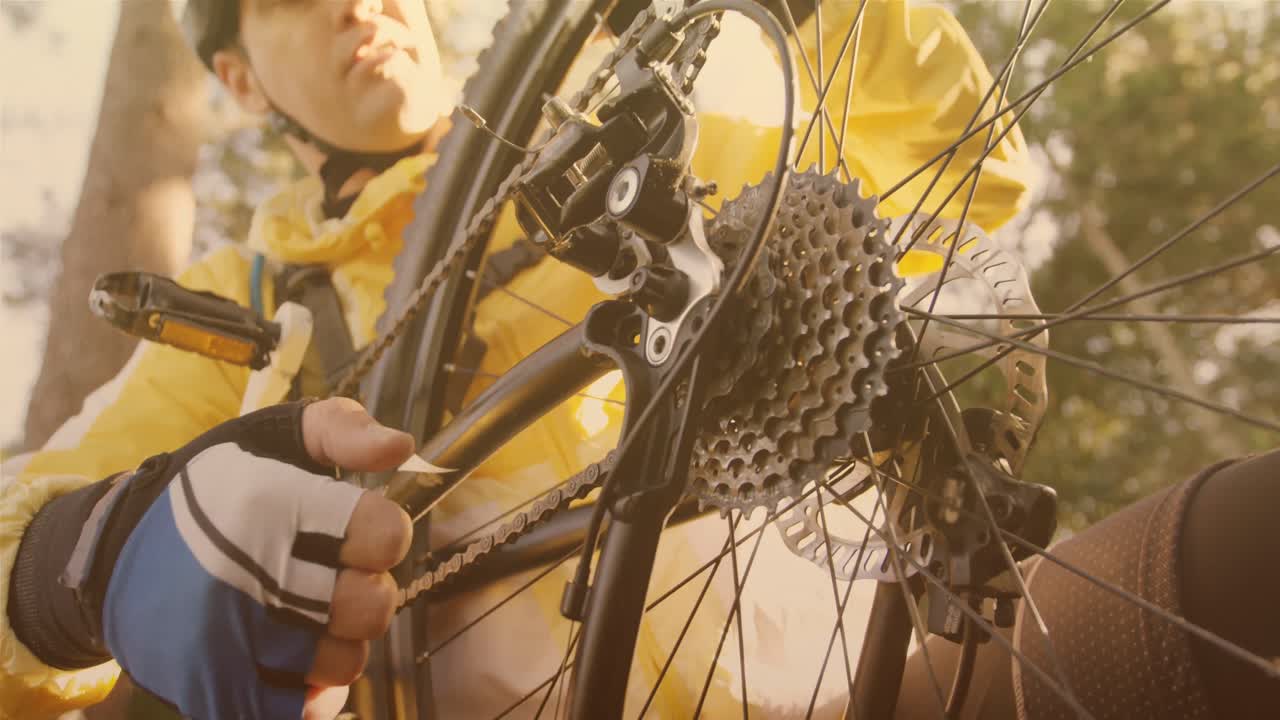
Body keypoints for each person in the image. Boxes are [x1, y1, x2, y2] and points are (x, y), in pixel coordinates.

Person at [0, 1, 1032, 718]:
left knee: (1140, 591)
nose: (358, 6)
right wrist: (87, 563)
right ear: (237, 79)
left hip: (883, 684)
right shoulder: (252, 302)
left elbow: (971, 173)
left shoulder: (652, 148)